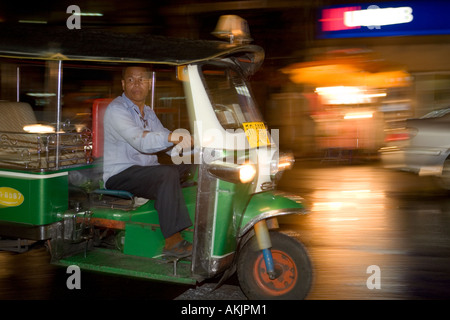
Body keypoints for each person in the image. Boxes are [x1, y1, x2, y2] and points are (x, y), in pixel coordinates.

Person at [103, 65, 193, 257]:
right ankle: (172, 242)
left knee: (193, 167)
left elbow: (166, 144)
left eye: (142, 79)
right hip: (120, 173)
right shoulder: (116, 110)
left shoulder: (148, 113)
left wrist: (197, 148)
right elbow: (141, 140)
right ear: (123, 84)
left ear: (149, 84)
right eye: (131, 80)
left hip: (145, 172)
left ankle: (198, 226)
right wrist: (173, 137)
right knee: (166, 174)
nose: (137, 84)